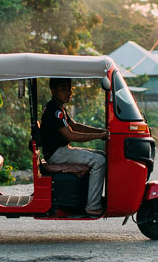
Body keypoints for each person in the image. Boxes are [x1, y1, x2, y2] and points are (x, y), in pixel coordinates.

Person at [40, 77, 107, 215]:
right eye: (63, 89)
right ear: (53, 91)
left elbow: (75, 125)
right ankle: (93, 206)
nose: (68, 92)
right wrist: (99, 136)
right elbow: (71, 135)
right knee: (99, 161)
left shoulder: (59, 108)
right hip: (57, 154)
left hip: (61, 151)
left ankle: (90, 198)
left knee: (101, 155)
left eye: (69, 89)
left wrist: (101, 131)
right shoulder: (54, 111)